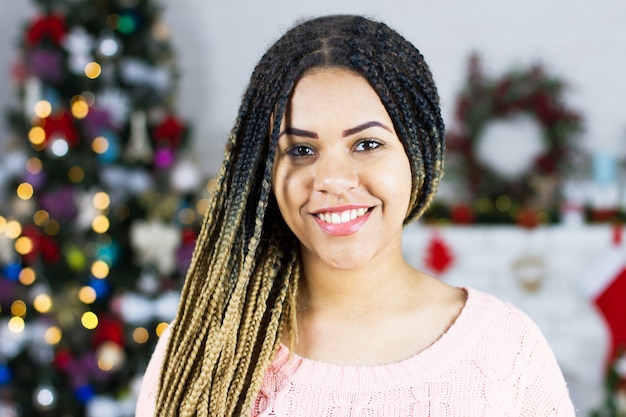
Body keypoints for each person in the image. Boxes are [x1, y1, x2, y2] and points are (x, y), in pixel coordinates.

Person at [136, 14, 575, 416]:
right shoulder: (201, 352)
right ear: (266, 171)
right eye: (301, 150)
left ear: (417, 154)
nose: (333, 179)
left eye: (367, 144)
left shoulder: (506, 351)